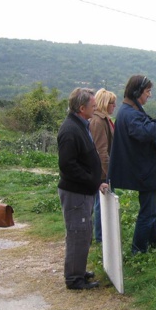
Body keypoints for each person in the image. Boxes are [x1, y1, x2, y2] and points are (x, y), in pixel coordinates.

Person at [108, 75, 156, 254]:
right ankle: (138, 250)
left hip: (144, 171)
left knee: (150, 209)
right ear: (137, 92)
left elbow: (145, 127)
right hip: (145, 172)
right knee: (149, 212)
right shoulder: (130, 114)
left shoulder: (127, 111)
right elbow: (144, 132)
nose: (150, 95)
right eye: (147, 91)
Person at [57, 88, 109, 290]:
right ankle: (74, 279)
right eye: (93, 106)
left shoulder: (80, 125)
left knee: (83, 232)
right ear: (81, 108)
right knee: (78, 232)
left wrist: (95, 182)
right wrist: (90, 180)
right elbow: (67, 165)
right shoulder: (70, 130)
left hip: (83, 190)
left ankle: (78, 271)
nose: (95, 109)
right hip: (76, 192)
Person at [89, 88, 117, 243]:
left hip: (103, 170)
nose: (114, 107)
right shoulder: (98, 121)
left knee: (102, 203)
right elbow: (101, 151)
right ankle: (100, 237)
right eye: (112, 103)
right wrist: (108, 173)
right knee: (101, 204)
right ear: (105, 103)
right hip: (101, 172)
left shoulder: (104, 119)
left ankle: (103, 235)